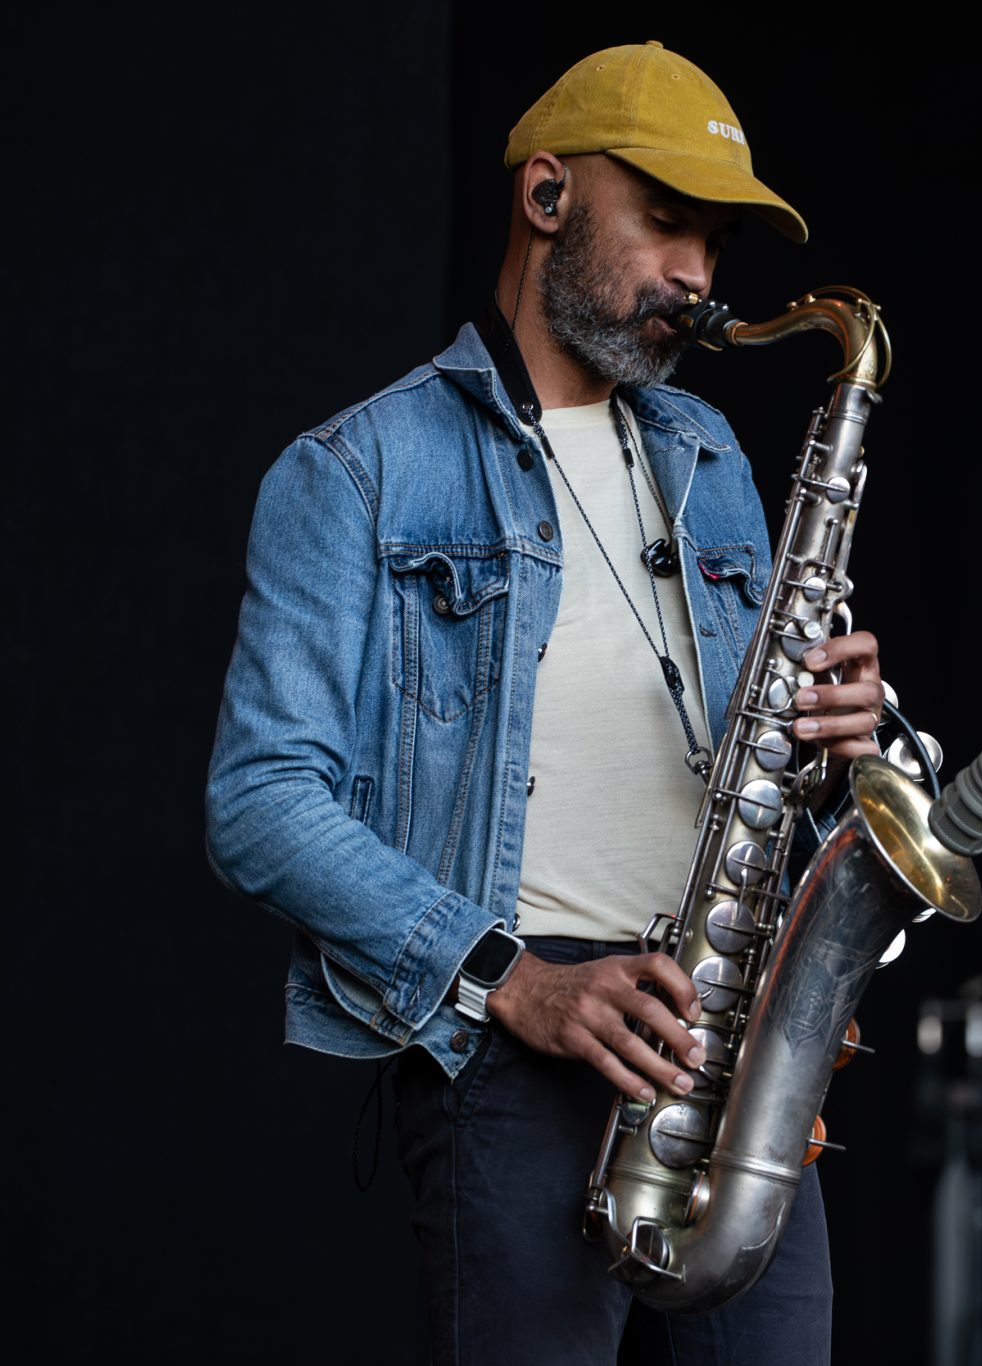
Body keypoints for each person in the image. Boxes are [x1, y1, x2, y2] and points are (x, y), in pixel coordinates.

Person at [205, 40, 883, 1365]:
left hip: (733, 1059)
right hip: (515, 1061)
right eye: (668, 220)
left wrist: (826, 737)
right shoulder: (356, 469)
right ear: (548, 198)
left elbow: (728, 760)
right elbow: (257, 799)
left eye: (716, 241)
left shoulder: (713, 456)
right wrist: (516, 984)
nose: (698, 274)